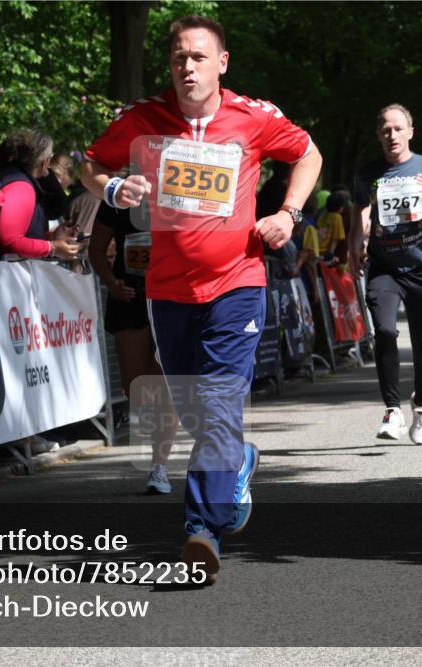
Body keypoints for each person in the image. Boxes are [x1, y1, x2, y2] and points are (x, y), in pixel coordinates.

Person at [80, 15, 321, 581]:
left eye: (197, 57)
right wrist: (112, 186)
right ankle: (238, 464)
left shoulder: (254, 118)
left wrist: (288, 213)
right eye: (177, 59)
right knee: (194, 411)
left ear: (222, 62)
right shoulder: (143, 121)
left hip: (238, 282)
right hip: (167, 290)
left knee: (215, 406)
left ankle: (201, 531)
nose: (186, 67)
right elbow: (89, 164)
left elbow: (308, 153)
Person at [350, 103, 422, 444]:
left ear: (410, 131)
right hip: (384, 267)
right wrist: (353, 247)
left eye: (398, 128)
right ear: (378, 134)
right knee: (384, 330)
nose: (392, 135)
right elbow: (359, 217)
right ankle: (392, 410)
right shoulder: (367, 174)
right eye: (385, 129)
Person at [88, 202, 177, 494]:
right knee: (137, 387)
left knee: (164, 385)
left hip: (171, 297)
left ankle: (158, 466)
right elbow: (96, 250)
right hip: (130, 298)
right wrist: (112, 284)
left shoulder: (181, 191)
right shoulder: (118, 197)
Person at [0, 129, 81, 261]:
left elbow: (22, 235)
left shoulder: (14, 178)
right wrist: (53, 247)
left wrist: (51, 237)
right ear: (45, 161)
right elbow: (10, 241)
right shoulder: (21, 187)